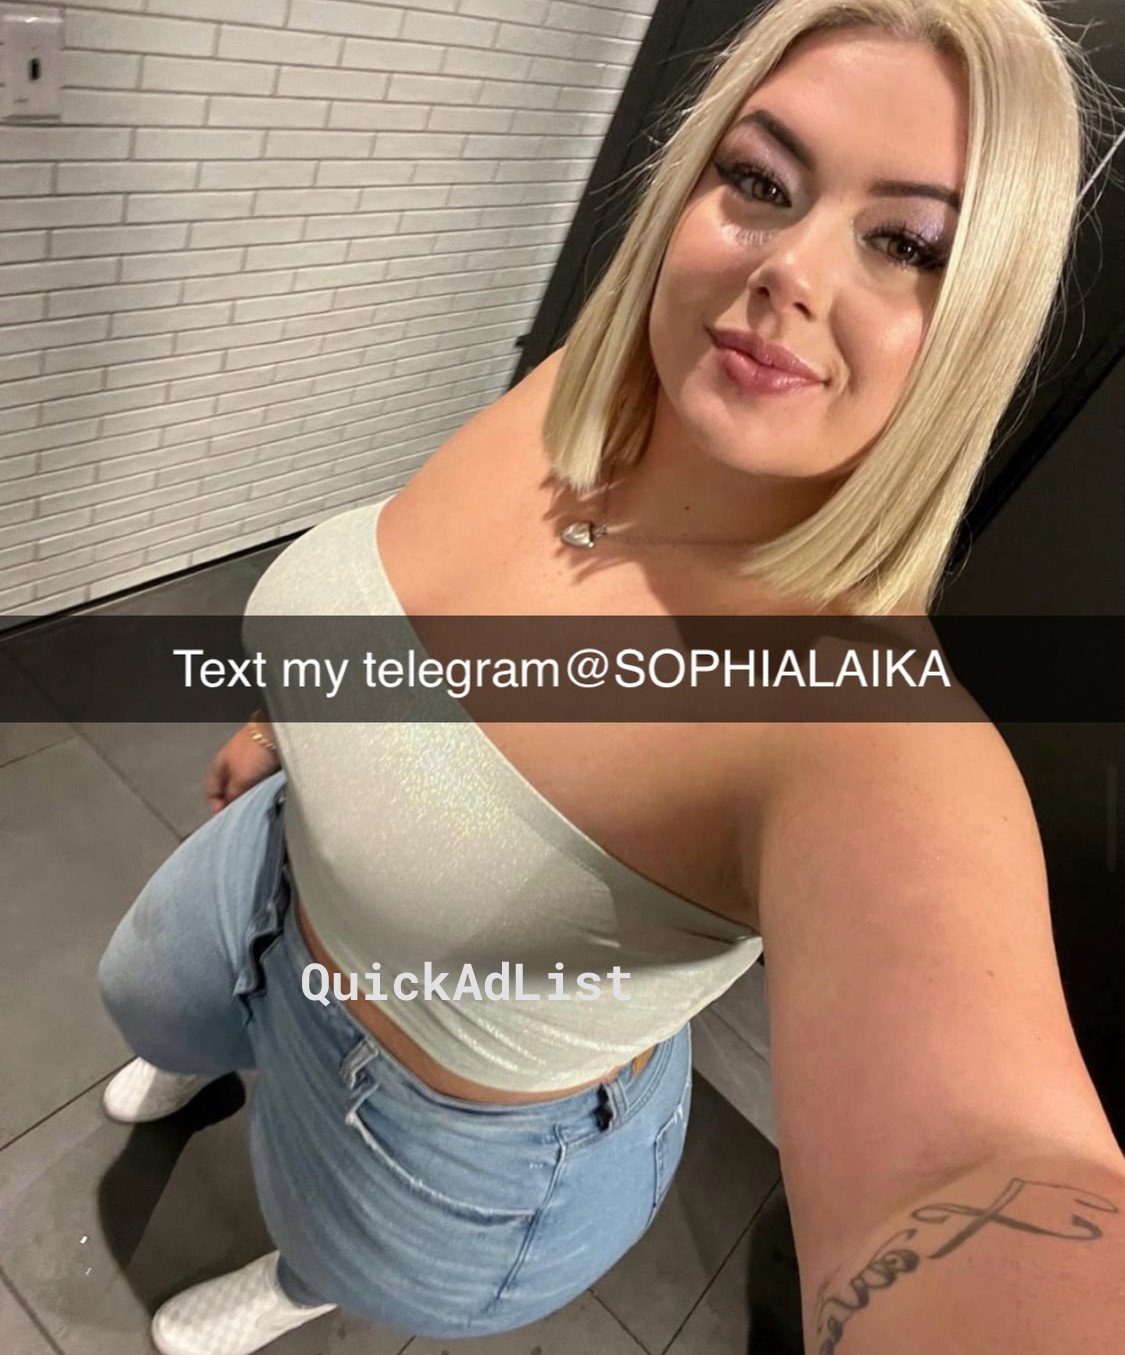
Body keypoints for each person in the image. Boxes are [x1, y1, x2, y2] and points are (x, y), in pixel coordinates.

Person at [97, 2, 1125, 1353]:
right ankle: (207, 1060)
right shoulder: (603, 391)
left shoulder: (862, 733)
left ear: (982, 317)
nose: (789, 269)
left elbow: (979, 1164)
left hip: (420, 1126)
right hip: (267, 868)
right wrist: (284, 723)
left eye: (906, 244)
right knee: (149, 998)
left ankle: (305, 1279)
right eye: (759, 180)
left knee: (333, 1237)